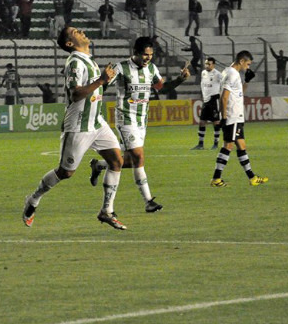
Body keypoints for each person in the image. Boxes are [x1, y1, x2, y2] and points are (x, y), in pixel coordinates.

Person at [22, 27, 126, 230]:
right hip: (78, 125)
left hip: (97, 122)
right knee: (66, 172)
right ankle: (33, 199)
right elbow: (76, 94)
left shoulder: (90, 61)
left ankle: (106, 211)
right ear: (70, 43)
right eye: (76, 31)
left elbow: (95, 89)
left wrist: (106, 81)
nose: (82, 31)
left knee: (116, 161)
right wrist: (102, 80)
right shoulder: (75, 62)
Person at [89, 36, 190, 213]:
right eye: (145, 54)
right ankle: (148, 201)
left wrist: (180, 79)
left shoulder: (152, 69)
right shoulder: (121, 67)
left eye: (150, 55)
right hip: (126, 118)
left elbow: (162, 88)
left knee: (131, 160)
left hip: (142, 120)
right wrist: (99, 84)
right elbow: (102, 86)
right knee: (139, 157)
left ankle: (99, 165)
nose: (148, 58)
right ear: (135, 53)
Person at [210, 50, 268, 187]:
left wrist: (247, 81)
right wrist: (224, 117)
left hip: (236, 116)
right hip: (232, 116)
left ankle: (252, 178)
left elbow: (239, 93)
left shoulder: (229, 72)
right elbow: (224, 96)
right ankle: (216, 179)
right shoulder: (232, 74)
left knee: (241, 145)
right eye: (247, 64)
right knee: (228, 146)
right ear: (241, 61)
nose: (248, 67)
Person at [192, 57, 222, 150]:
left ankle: (216, 144)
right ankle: (200, 144)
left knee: (216, 122)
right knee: (201, 122)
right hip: (206, 100)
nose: (207, 65)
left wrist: (221, 96)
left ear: (213, 65)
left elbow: (224, 84)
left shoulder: (218, 74)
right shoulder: (203, 73)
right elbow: (203, 85)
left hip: (214, 99)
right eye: (206, 64)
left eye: (209, 64)